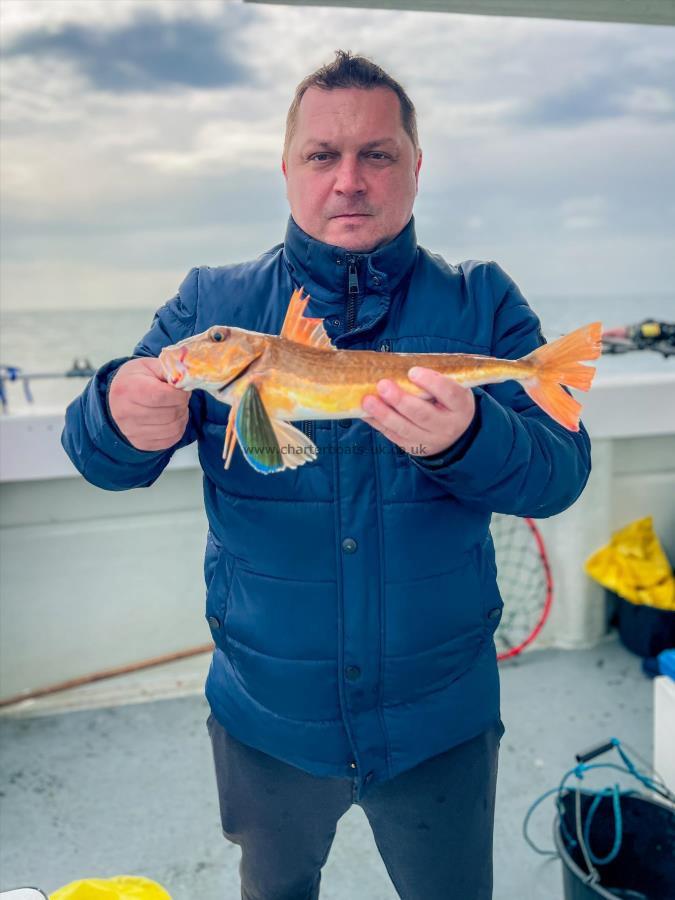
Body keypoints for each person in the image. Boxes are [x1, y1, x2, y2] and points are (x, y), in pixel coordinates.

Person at [62, 50, 592, 900]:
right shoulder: (213, 308)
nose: (348, 180)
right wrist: (117, 418)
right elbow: (101, 459)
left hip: (439, 718)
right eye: (321, 155)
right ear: (286, 170)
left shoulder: (482, 301)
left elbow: (560, 474)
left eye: (377, 154)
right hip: (267, 719)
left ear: (415, 167)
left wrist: (469, 439)